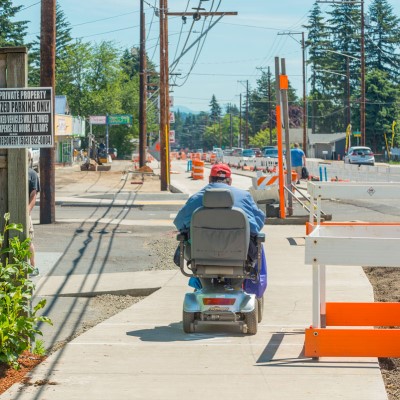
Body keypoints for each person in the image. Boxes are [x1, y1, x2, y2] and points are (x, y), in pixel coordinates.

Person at [173, 163, 267, 294]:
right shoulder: (244, 197)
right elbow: (257, 224)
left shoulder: (195, 198)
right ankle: (238, 288)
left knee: (186, 240)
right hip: (240, 257)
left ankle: (204, 287)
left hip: (200, 257)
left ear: (210, 179)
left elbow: (179, 223)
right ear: (230, 180)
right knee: (257, 243)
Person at [28, 150, 40, 276]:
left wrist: (27, 210)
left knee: (28, 240)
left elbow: (33, 195)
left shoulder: (32, 174)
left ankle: (32, 266)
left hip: (25, 212)